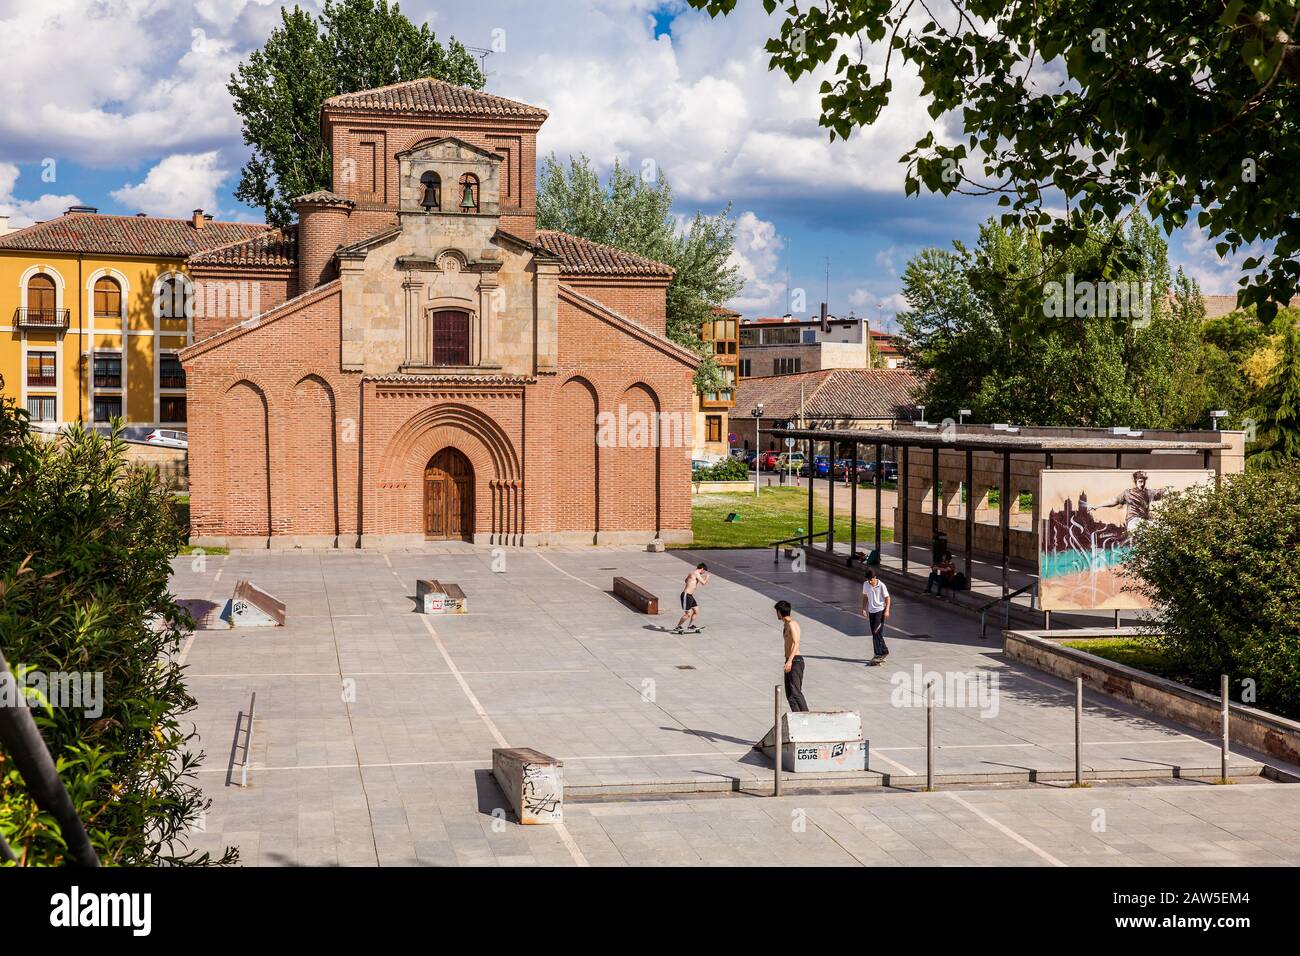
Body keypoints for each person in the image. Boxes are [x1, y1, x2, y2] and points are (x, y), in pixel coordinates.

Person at [1081, 470, 1172, 537]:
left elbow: (1160, 492)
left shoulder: (1149, 493)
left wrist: (1168, 489)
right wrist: (1097, 506)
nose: (1142, 484)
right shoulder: (1128, 493)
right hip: (1133, 522)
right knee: (1152, 528)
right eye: (1140, 482)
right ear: (1135, 482)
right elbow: (1114, 501)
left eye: (1144, 482)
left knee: (1162, 530)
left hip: (1142, 523)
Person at [775, 600, 808, 712]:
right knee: (790, 694)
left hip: (795, 661)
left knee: (795, 692)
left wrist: (790, 661)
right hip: (789, 660)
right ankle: (798, 717)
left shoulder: (792, 624)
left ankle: (807, 716)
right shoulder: (786, 625)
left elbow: (796, 642)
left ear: (779, 612)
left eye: (777, 611)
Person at [861, 567, 891, 663]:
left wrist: (887, 610)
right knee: (876, 632)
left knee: (876, 632)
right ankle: (884, 651)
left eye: (871, 580)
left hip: (880, 611)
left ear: (875, 577)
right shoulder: (865, 584)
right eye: (868, 580)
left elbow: (888, 598)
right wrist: (863, 608)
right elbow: (865, 596)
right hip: (871, 611)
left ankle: (878, 654)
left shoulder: (881, 585)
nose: (869, 582)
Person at [673, 562, 710, 634]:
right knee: (688, 614)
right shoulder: (696, 573)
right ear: (702, 569)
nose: (703, 573)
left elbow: (686, 580)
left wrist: (692, 581)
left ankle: (690, 626)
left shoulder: (692, 572)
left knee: (696, 611)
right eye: (704, 571)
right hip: (686, 595)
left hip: (690, 596)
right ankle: (678, 626)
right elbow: (703, 583)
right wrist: (707, 577)